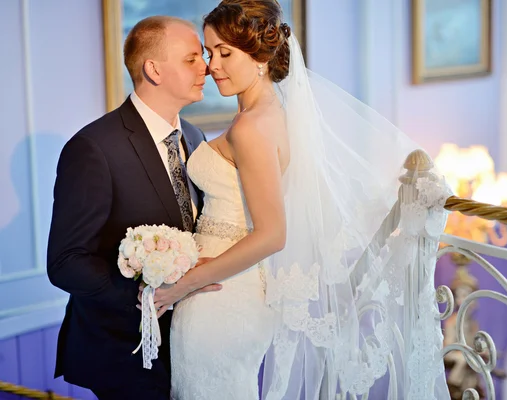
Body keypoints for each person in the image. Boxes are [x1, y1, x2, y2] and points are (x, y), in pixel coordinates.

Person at [153, 1, 451, 399]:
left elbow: (273, 235)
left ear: (260, 57)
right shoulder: (270, 113)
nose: (212, 65)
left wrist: (181, 286)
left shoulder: (251, 128)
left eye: (225, 52)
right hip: (229, 288)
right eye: (209, 53)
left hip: (221, 295)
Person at [47, 16, 221, 400]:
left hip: (190, 343)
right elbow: (66, 261)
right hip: (125, 349)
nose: (206, 67)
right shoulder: (94, 148)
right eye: (192, 58)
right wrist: (147, 299)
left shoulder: (192, 135)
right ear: (154, 69)